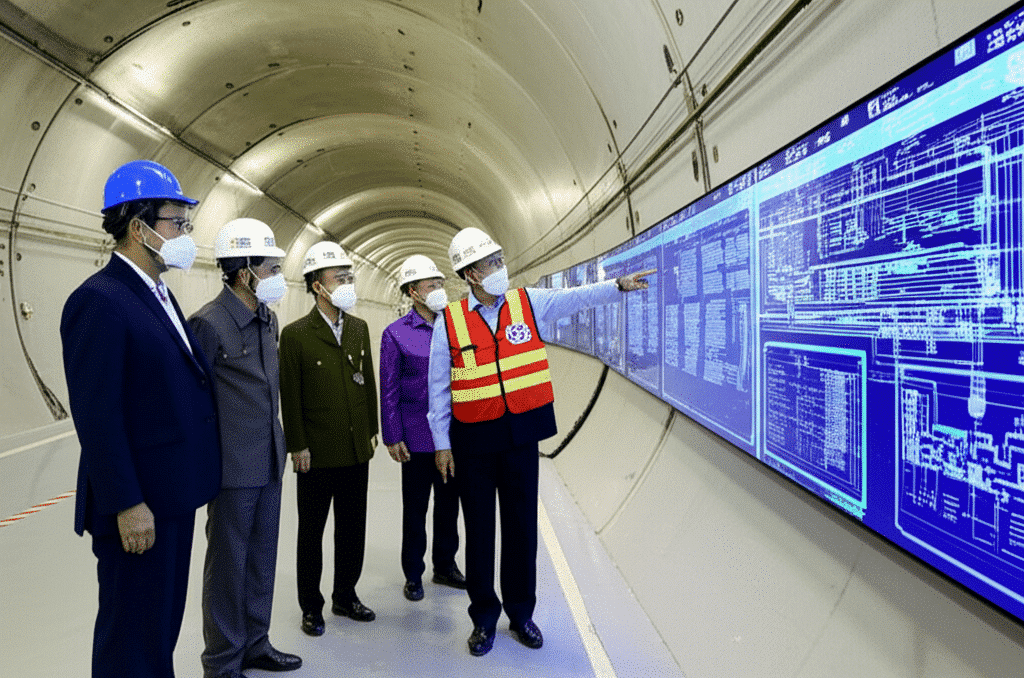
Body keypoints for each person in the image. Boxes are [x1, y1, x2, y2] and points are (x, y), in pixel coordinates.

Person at [427, 227, 654, 657]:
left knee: (521, 528)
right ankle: (483, 619)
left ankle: (520, 614)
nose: (501, 268)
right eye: (492, 263)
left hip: (520, 436)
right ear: (471, 274)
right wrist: (442, 443)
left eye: (500, 259)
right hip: (473, 441)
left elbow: (573, 299)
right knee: (479, 532)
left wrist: (617, 287)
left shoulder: (526, 302)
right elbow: (438, 387)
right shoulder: (450, 322)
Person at [60, 159, 221, 677]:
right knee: (129, 640)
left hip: (171, 495)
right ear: (138, 228)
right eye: (176, 223)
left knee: (157, 633)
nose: (184, 235)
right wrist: (128, 503)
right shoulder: (99, 301)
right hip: (140, 506)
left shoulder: (158, 293)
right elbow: (97, 416)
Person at [188, 218, 301, 677]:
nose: (277, 277)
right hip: (232, 468)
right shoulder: (208, 323)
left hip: (269, 460)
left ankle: (256, 643)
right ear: (242, 273)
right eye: (270, 268)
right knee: (228, 564)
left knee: (260, 559)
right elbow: (194, 404)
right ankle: (221, 660)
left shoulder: (267, 319)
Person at [279, 241, 379, 637]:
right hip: (316, 453)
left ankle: (345, 595)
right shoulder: (296, 335)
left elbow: (367, 383)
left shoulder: (358, 328)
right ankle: (311, 606)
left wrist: (371, 431)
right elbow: (291, 395)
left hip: (355, 450)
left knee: (353, 528)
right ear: (317, 286)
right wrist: (297, 445)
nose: (347, 284)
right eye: (339, 278)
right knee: (312, 533)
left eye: (349, 277)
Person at [380, 255, 466, 603]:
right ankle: (413, 574)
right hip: (416, 436)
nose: (439, 290)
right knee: (415, 509)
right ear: (414, 292)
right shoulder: (396, 334)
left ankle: (444, 565)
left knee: (449, 506)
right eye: (432, 285)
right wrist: (392, 435)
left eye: (440, 284)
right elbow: (389, 388)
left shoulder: (457, 326)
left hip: (452, 434)